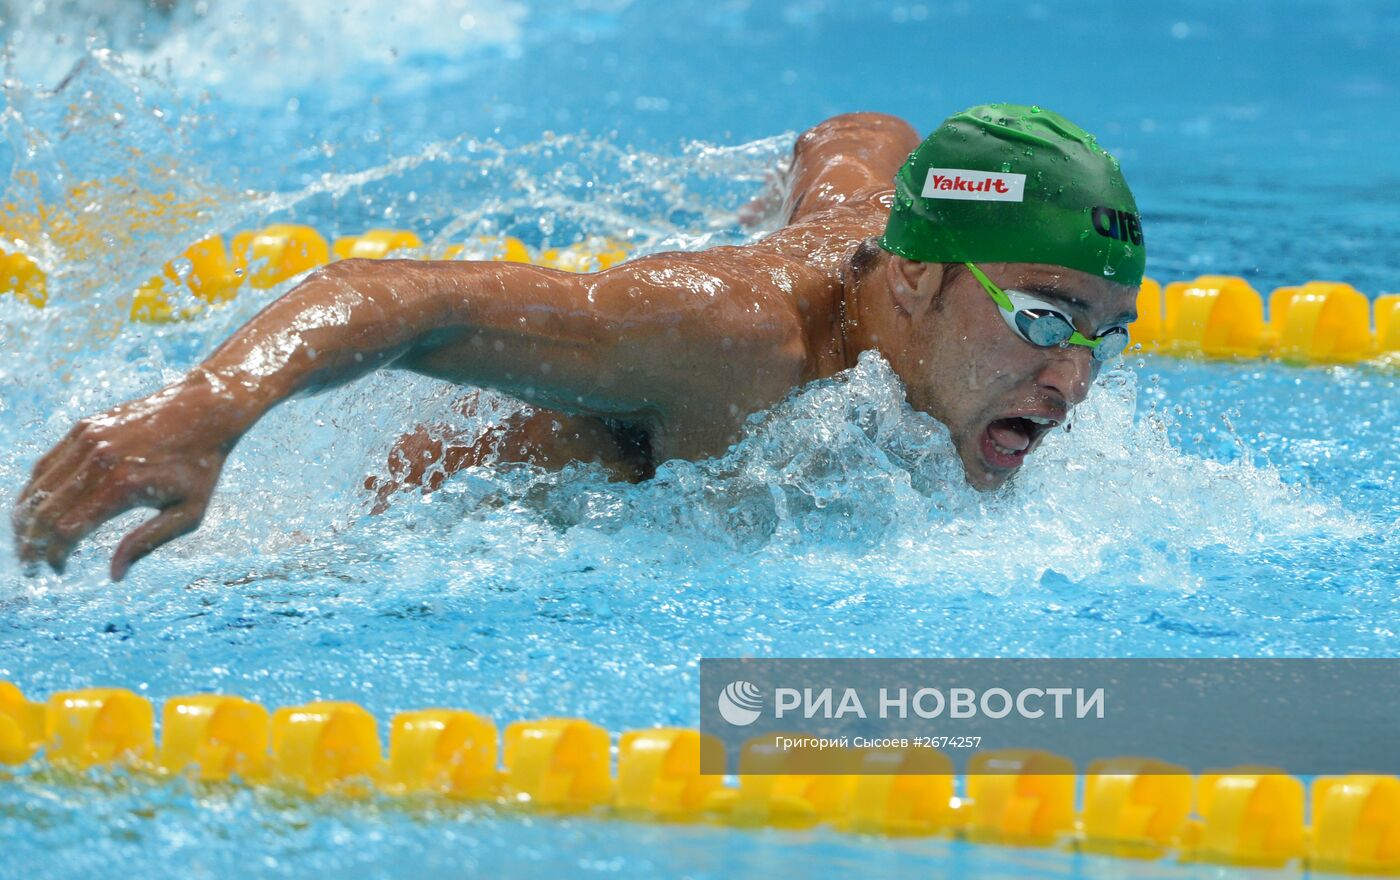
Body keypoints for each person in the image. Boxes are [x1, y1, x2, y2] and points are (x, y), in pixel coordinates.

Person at [12, 104, 1144, 581]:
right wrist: (202, 414)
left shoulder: (888, 222)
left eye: (1102, 334)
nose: (1069, 379)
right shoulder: (728, 332)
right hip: (398, 552)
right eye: (1042, 316)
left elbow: (854, 135)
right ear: (909, 276)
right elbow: (396, 295)